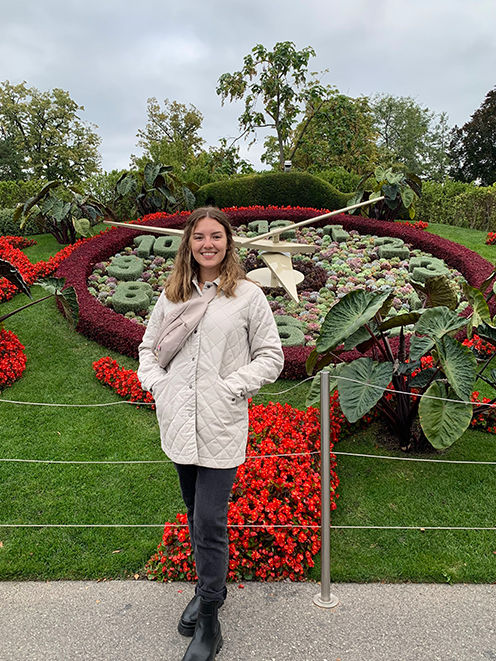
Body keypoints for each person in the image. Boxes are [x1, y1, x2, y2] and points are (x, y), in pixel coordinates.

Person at [137, 207, 284, 661]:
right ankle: (205, 591)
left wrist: (230, 387)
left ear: (228, 242)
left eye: (215, 236)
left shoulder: (248, 296)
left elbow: (271, 357)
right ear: (189, 244)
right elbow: (148, 350)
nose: (207, 244)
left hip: (221, 425)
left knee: (209, 522)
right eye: (198, 236)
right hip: (179, 424)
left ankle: (209, 620)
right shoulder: (173, 294)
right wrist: (159, 386)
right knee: (192, 512)